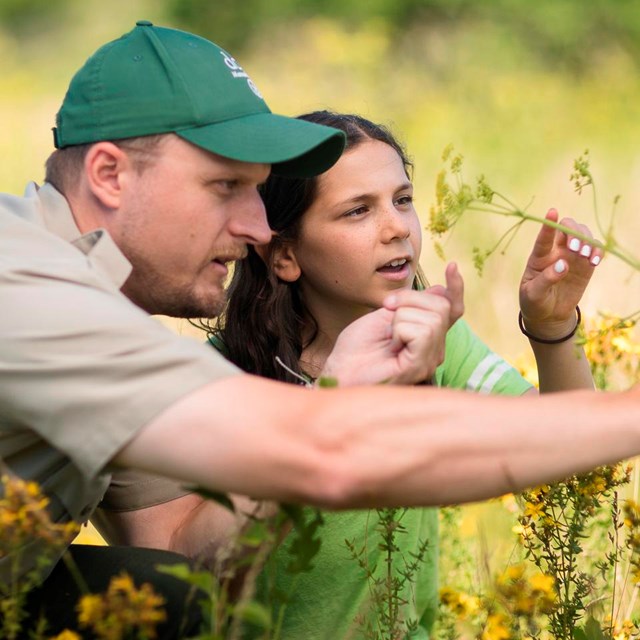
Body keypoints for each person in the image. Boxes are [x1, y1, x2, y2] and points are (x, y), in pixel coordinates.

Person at [1, 20, 640, 639]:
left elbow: (180, 559)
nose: (255, 226)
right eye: (224, 186)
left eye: (256, 192)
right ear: (111, 175)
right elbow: (321, 457)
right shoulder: (31, 290)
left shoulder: (103, 318)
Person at [207, 111, 602, 638]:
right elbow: (203, 562)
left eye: (402, 199)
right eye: (356, 212)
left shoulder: (430, 336)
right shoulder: (221, 380)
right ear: (285, 256)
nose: (396, 228)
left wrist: (551, 325)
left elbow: (568, 450)